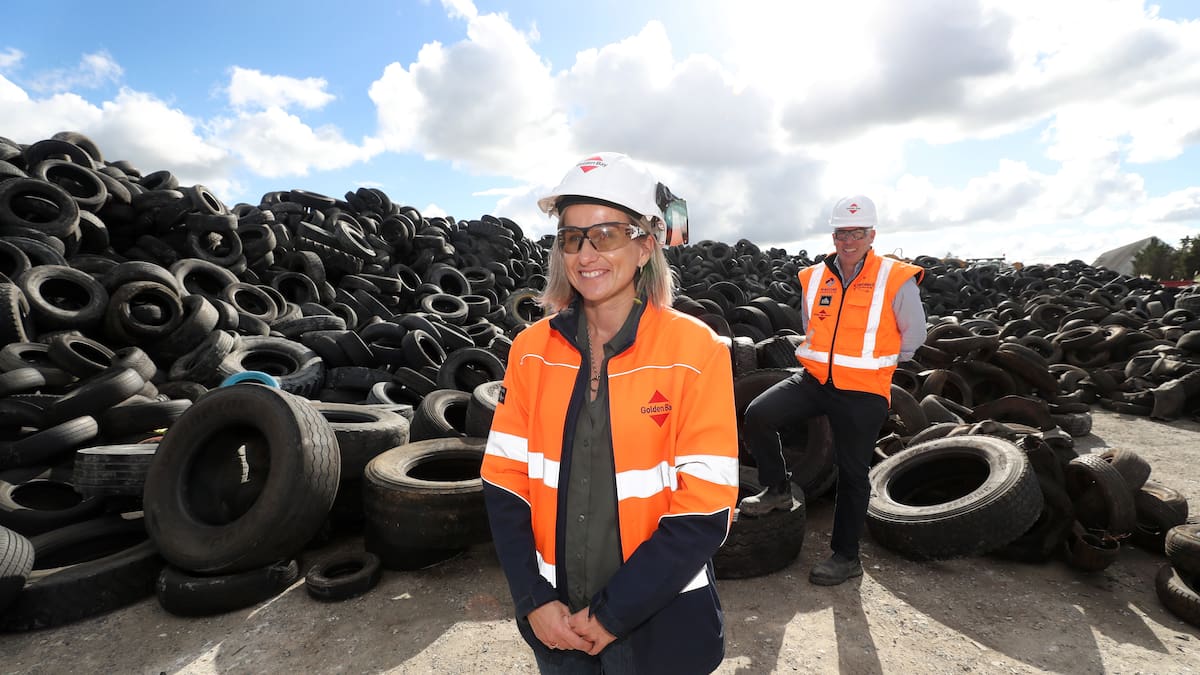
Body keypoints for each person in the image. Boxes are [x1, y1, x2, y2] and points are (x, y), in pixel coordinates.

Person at [480, 152, 739, 673]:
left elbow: (705, 507)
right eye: (572, 237)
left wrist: (612, 615)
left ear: (646, 245)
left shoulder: (696, 351)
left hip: (661, 623)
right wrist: (533, 598)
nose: (586, 253)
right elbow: (504, 480)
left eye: (607, 234)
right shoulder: (530, 349)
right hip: (557, 621)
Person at [738, 195, 926, 586]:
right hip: (813, 381)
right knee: (758, 414)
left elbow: (914, 335)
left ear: (872, 234)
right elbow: (812, 326)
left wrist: (876, 366)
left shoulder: (895, 278)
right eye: (842, 232)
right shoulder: (813, 277)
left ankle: (845, 556)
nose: (849, 240)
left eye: (857, 232)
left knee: (853, 475)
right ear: (834, 234)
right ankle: (776, 488)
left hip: (862, 391)